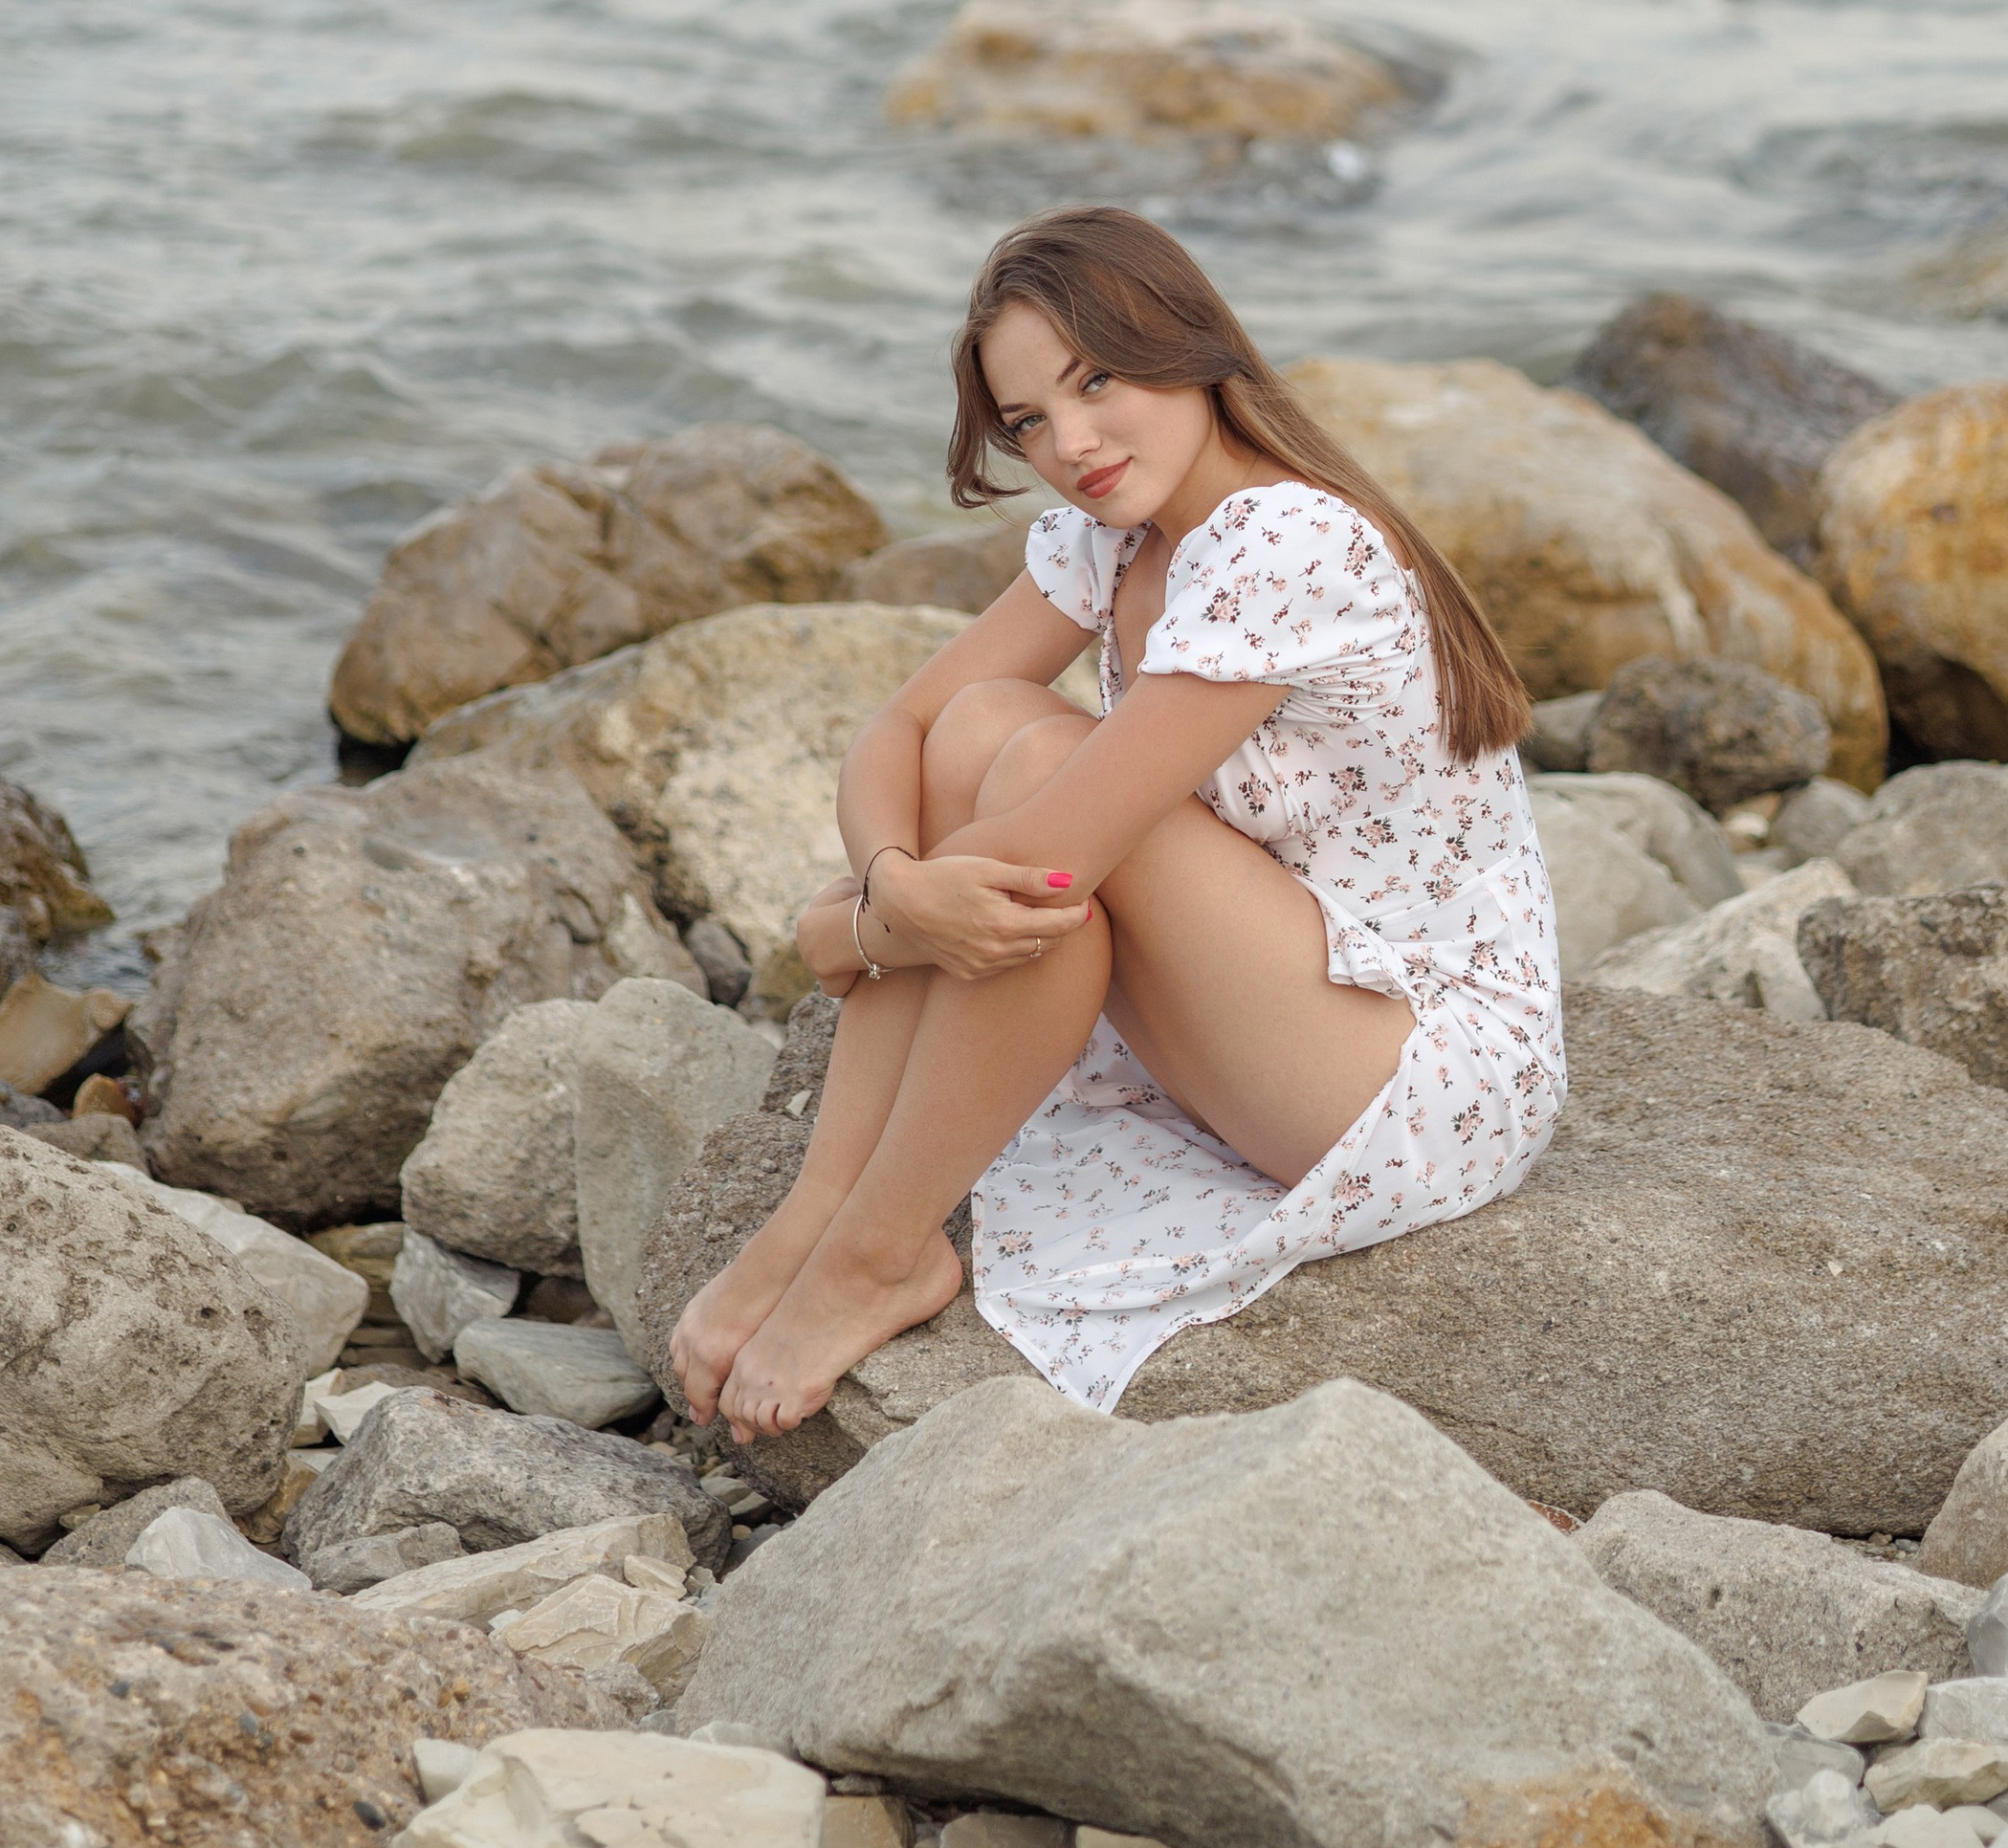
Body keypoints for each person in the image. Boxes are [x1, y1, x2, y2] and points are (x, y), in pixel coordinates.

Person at [669, 205, 1565, 1442]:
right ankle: (822, 1218)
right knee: (986, 726)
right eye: (1031, 420)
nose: (1072, 443)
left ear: (1188, 343)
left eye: (1097, 382)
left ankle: (876, 1253)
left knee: (1044, 784)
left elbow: (1060, 854)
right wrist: (884, 890)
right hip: (1277, 991)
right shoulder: (1118, 538)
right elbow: (899, 734)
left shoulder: (1286, 539)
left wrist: (860, 932)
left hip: (1416, 1065)